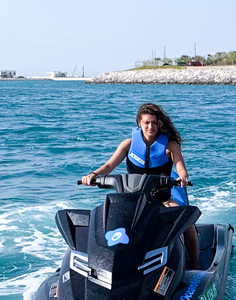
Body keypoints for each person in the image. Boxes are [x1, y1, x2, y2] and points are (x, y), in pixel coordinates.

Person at [81, 103, 200, 269]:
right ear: (139, 123)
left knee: (186, 223)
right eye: (146, 122)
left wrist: (183, 177)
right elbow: (108, 167)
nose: (150, 126)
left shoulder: (169, 146)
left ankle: (195, 265)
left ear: (159, 124)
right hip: (132, 199)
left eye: (153, 122)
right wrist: (93, 175)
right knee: (103, 222)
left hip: (162, 198)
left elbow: (181, 168)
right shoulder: (128, 144)